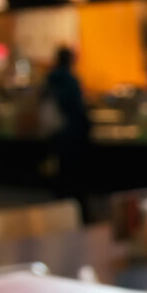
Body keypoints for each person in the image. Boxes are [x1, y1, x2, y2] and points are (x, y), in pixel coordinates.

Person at [45, 46, 90, 217]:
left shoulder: (50, 79)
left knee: (61, 174)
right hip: (73, 134)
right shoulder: (70, 79)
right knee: (76, 176)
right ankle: (79, 212)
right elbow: (76, 107)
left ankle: (60, 211)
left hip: (57, 133)